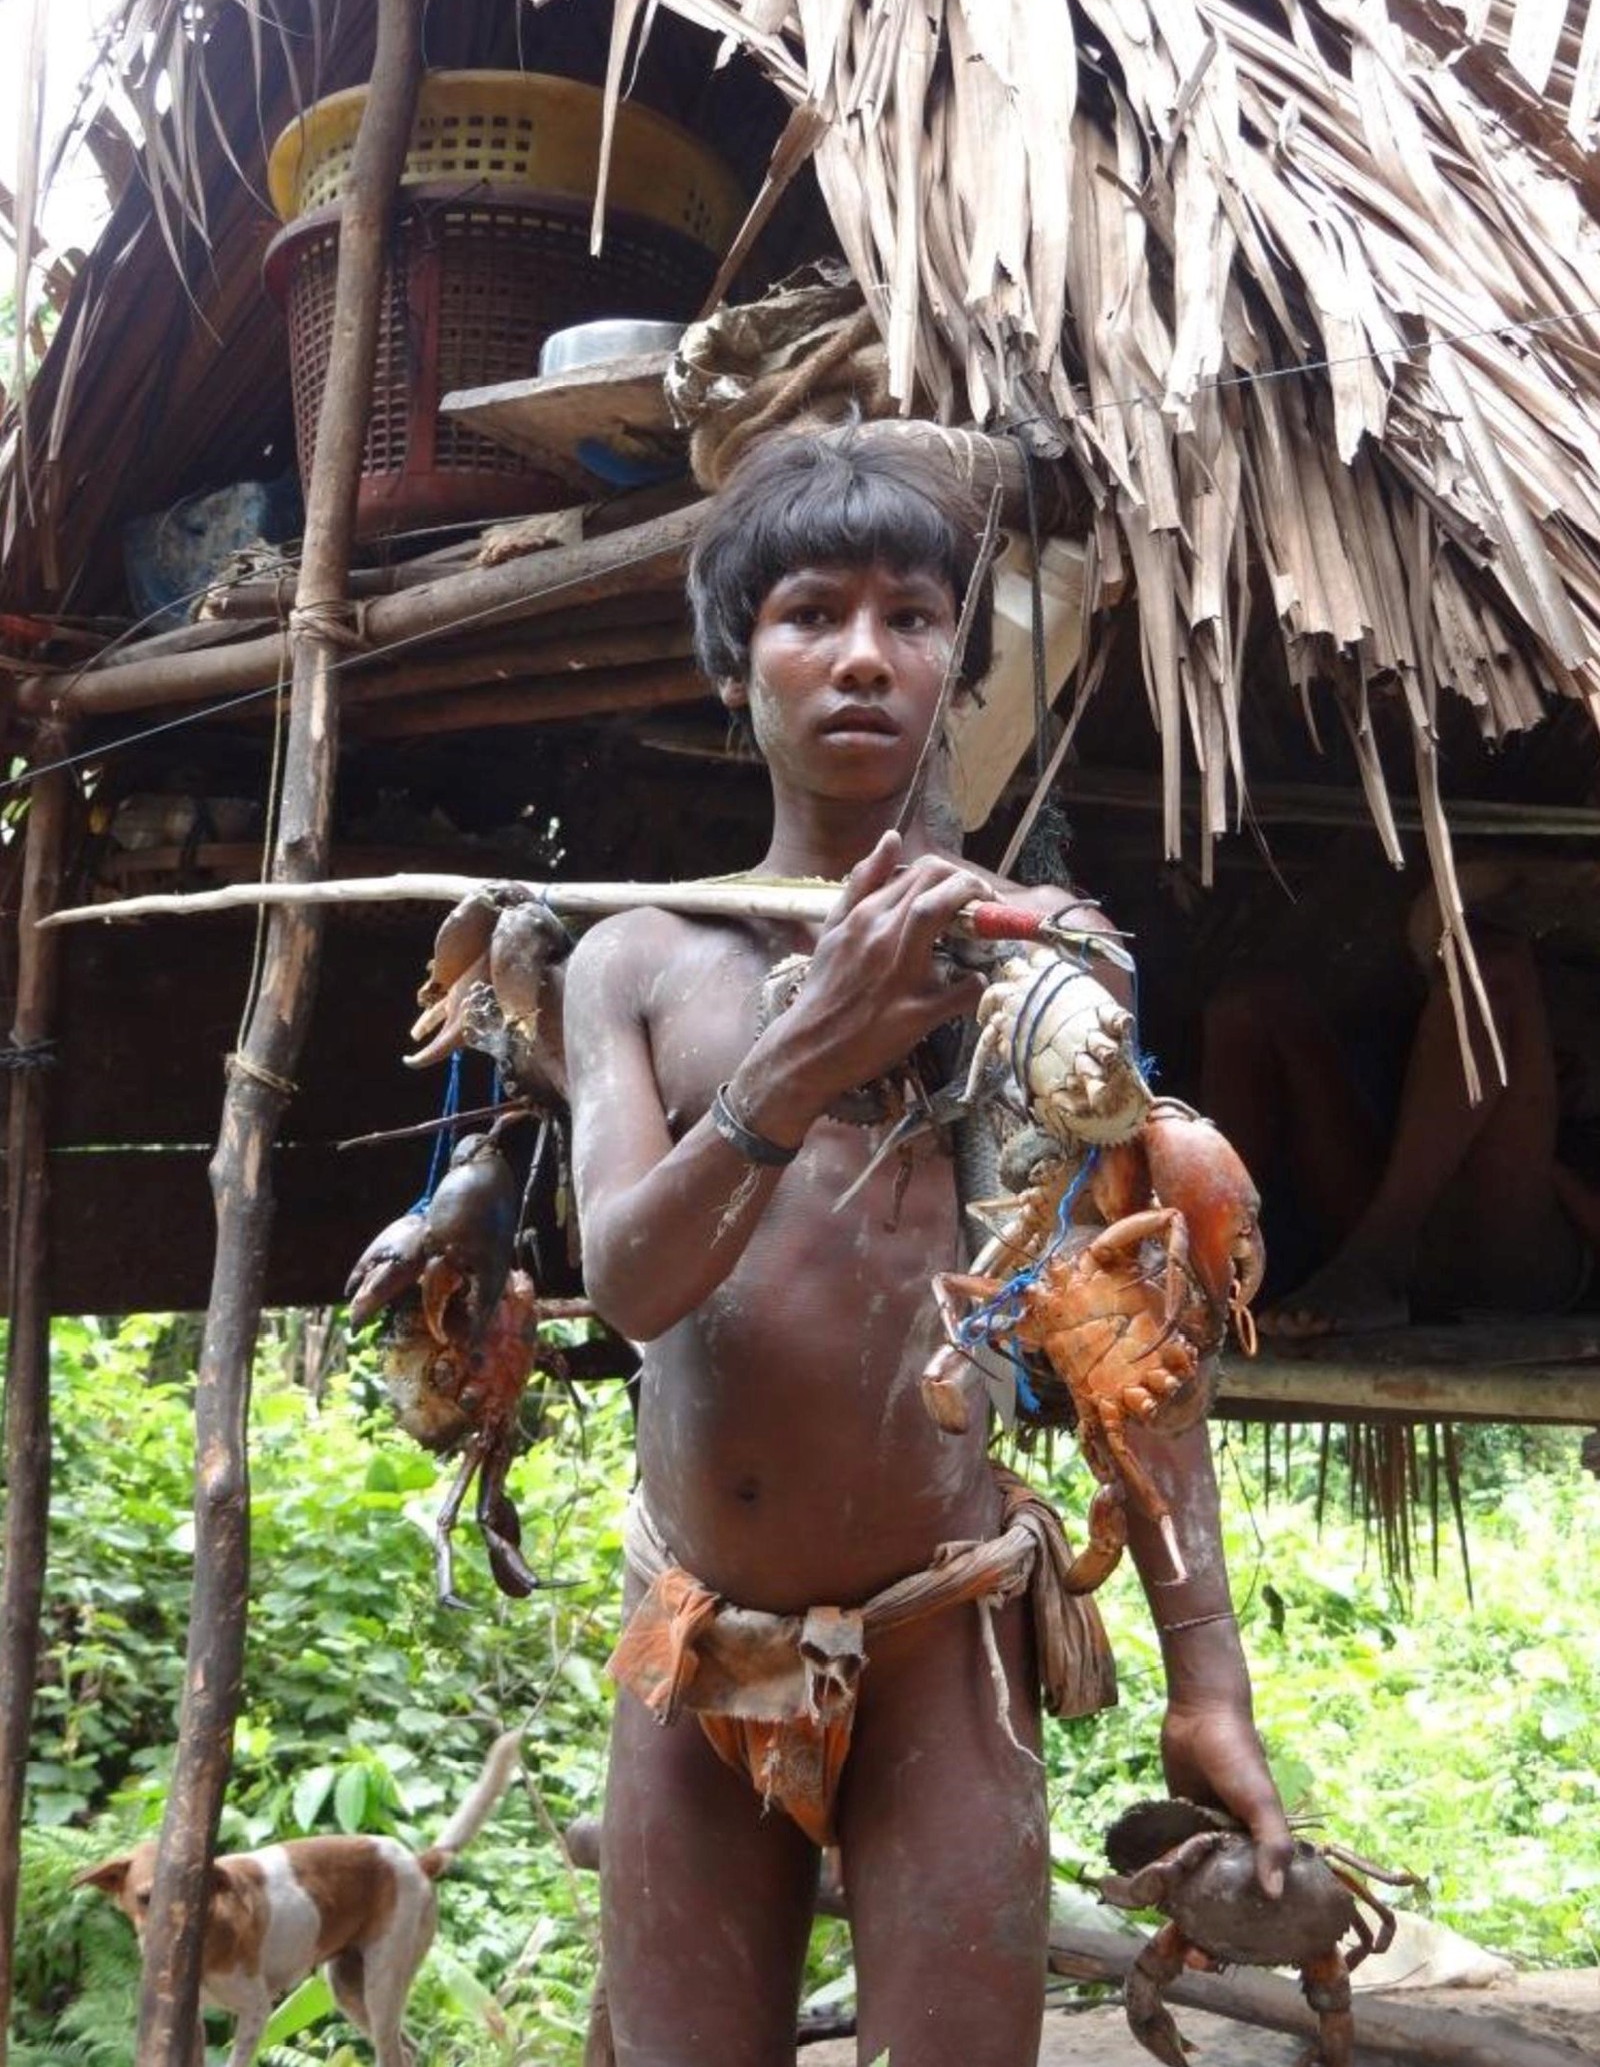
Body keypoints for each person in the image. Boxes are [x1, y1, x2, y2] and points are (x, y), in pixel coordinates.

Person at [562, 426, 1290, 2067]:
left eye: (910, 617)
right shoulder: (638, 959)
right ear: (733, 665)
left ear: (957, 669)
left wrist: (1209, 1681)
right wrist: (801, 1054)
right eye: (810, 613)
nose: (863, 656)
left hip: (942, 1631)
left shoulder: (1039, 968)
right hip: (702, 1635)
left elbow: (1132, 1343)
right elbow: (629, 1279)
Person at [1202, 864, 1600, 1338]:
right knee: (1250, 1007)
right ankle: (1208, 1272)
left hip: (1518, 1243)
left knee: (1495, 965)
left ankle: (1377, 1258)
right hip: (1402, 1187)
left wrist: (1548, 1161)